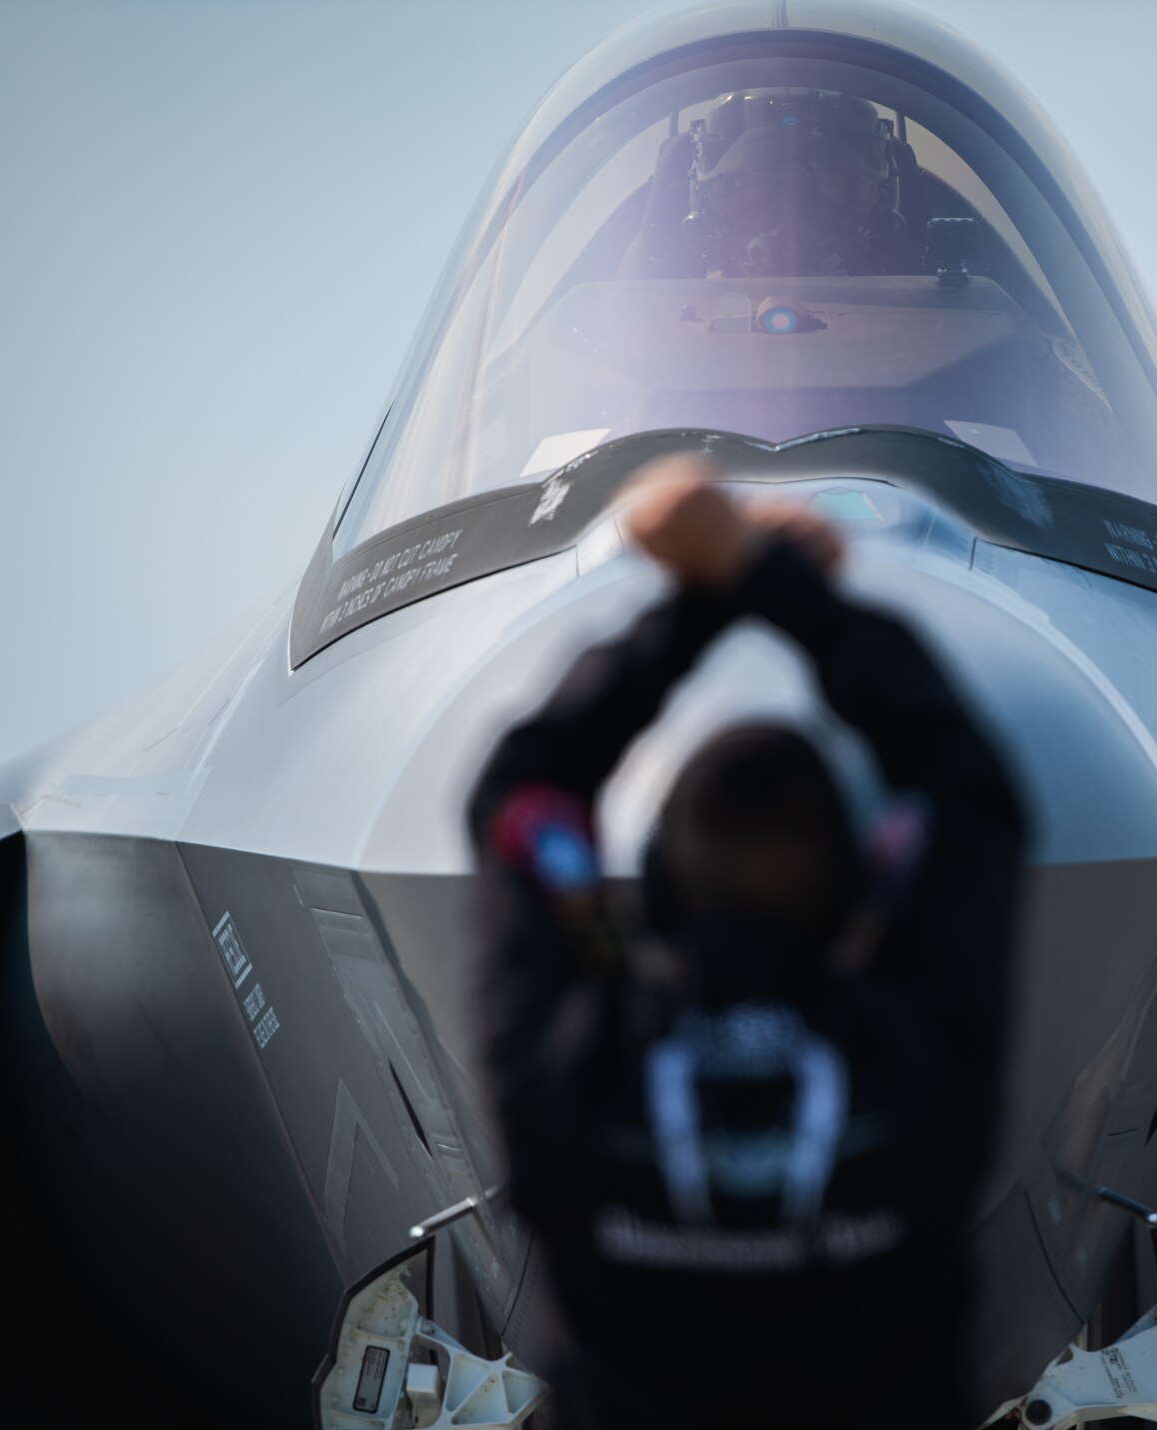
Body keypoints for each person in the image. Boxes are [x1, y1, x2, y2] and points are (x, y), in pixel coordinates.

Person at [468, 455, 1026, 1429]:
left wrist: (707, 595)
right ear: (858, 888)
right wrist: (776, 583)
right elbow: (966, 787)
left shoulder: (569, 1069)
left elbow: (519, 794)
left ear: (654, 894)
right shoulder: (918, 1060)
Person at [618, 88, 933, 281]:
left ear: (880, 195)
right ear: (704, 197)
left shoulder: (933, 316)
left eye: (830, 179)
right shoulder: (650, 319)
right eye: (748, 183)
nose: (792, 209)